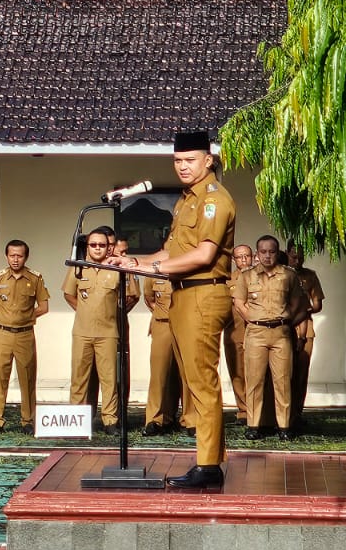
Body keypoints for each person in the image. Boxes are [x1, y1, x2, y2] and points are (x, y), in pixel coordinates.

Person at [112, 130, 236, 487]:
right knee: (192, 381)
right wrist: (133, 262)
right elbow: (171, 251)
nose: (182, 167)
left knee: (202, 381)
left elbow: (204, 255)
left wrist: (151, 268)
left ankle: (209, 466)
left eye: (190, 160)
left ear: (208, 161)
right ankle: (208, 461)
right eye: (178, 161)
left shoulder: (214, 199)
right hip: (183, 294)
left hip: (204, 293)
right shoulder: (186, 201)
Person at [62, 229, 138, 435]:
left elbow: (132, 295)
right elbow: (68, 294)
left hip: (108, 332)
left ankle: (110, 420)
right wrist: (86, 311)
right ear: (87, 247)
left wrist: (112, 313)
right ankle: (76, 420)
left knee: (109, 379)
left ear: (108, 247)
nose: (97, 248)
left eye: (101, 245)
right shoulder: (78, 268)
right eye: (93, 245)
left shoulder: (117, 269)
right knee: (79, 378)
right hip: (82, 331)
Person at [234, 235, 307, 441]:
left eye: (272, 251)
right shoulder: (246, 276)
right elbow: (239, 303)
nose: (267, 256)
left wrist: (285, 319)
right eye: (263, 252)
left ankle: (284, 426)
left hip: (281, 333)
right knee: (255, 381)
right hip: (256, 333)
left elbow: (297, 302)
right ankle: (253, 425)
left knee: (283, 380)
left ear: (277, 252)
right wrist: (254, 319)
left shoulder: (288, 275)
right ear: (257, 254)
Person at [0, 239, 49, 434]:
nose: (15, 259)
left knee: (27, 377)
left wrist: (26, 316)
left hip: (24, 334)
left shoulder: (35, 278)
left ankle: (28, 421)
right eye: (12, 255)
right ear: (6, 256)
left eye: (19, 256)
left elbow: (44, 307)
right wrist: (3, 314)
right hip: (2, 333)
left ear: (26, 257)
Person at [286, 243, 325, 430]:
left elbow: (317, 304)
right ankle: (281, 414)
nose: (297, 260)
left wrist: (303, 308)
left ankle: (297, 414)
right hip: (283, 329)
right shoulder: (281, 274)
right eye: (294, 256)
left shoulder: (310, 275)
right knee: (284, 374)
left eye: (300, 257)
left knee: (301, 373)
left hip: (305, 328)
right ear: (287, 254)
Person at [142, 276, 183, 436]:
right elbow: (149, 297)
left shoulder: (188, 264)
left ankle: (190, 420)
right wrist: (161, 311)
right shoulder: (154, 269)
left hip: (186, 323)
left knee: (187, 374)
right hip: (162, 323)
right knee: (159, 374)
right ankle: (155, 419)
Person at [224, 242, 254, 424]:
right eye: (239, 257)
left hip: (256, 332)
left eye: (247, 256)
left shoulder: (260, 276)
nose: (243, 260)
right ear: (234, 260)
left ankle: (258, 411)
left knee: (257, 374)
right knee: (238, 373)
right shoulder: (227, 279)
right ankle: (243, 411)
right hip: (234, 331)